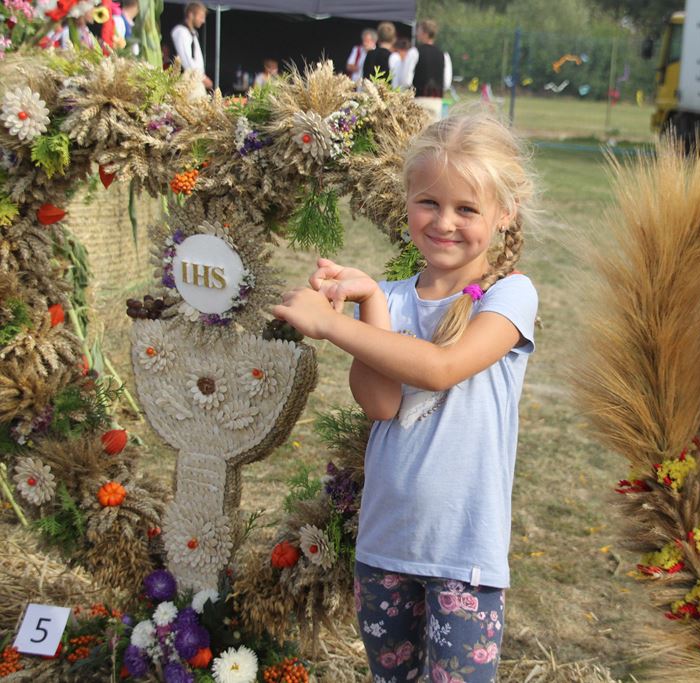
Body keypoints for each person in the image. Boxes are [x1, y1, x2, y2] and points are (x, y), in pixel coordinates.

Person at [272, 111, 538, 682]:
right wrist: (369, 301)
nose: (445, 222)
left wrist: (330, 326)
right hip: (386, 546)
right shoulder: (391, 299)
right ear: (408, 201)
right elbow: (380, 404)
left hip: (464, 556)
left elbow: (442, 368)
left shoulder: (510, 295)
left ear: (504, 213)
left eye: (467, 208)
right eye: (429, 203)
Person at [399, 19, 453, 121]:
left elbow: (406, 80)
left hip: (418, 100)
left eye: (418, 31)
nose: (417, 34)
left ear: (424, 33)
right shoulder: (444, 54)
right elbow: (446, 83)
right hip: (437, 102)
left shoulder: (414, 52)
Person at [171, 2, 212, 94]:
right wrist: (202, 77)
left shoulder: (192, 33)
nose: (203, 21)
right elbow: (186, 60)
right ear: (191, 15)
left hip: (195, 81)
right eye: (201, 17)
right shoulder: (181, 32)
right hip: (187, 83)